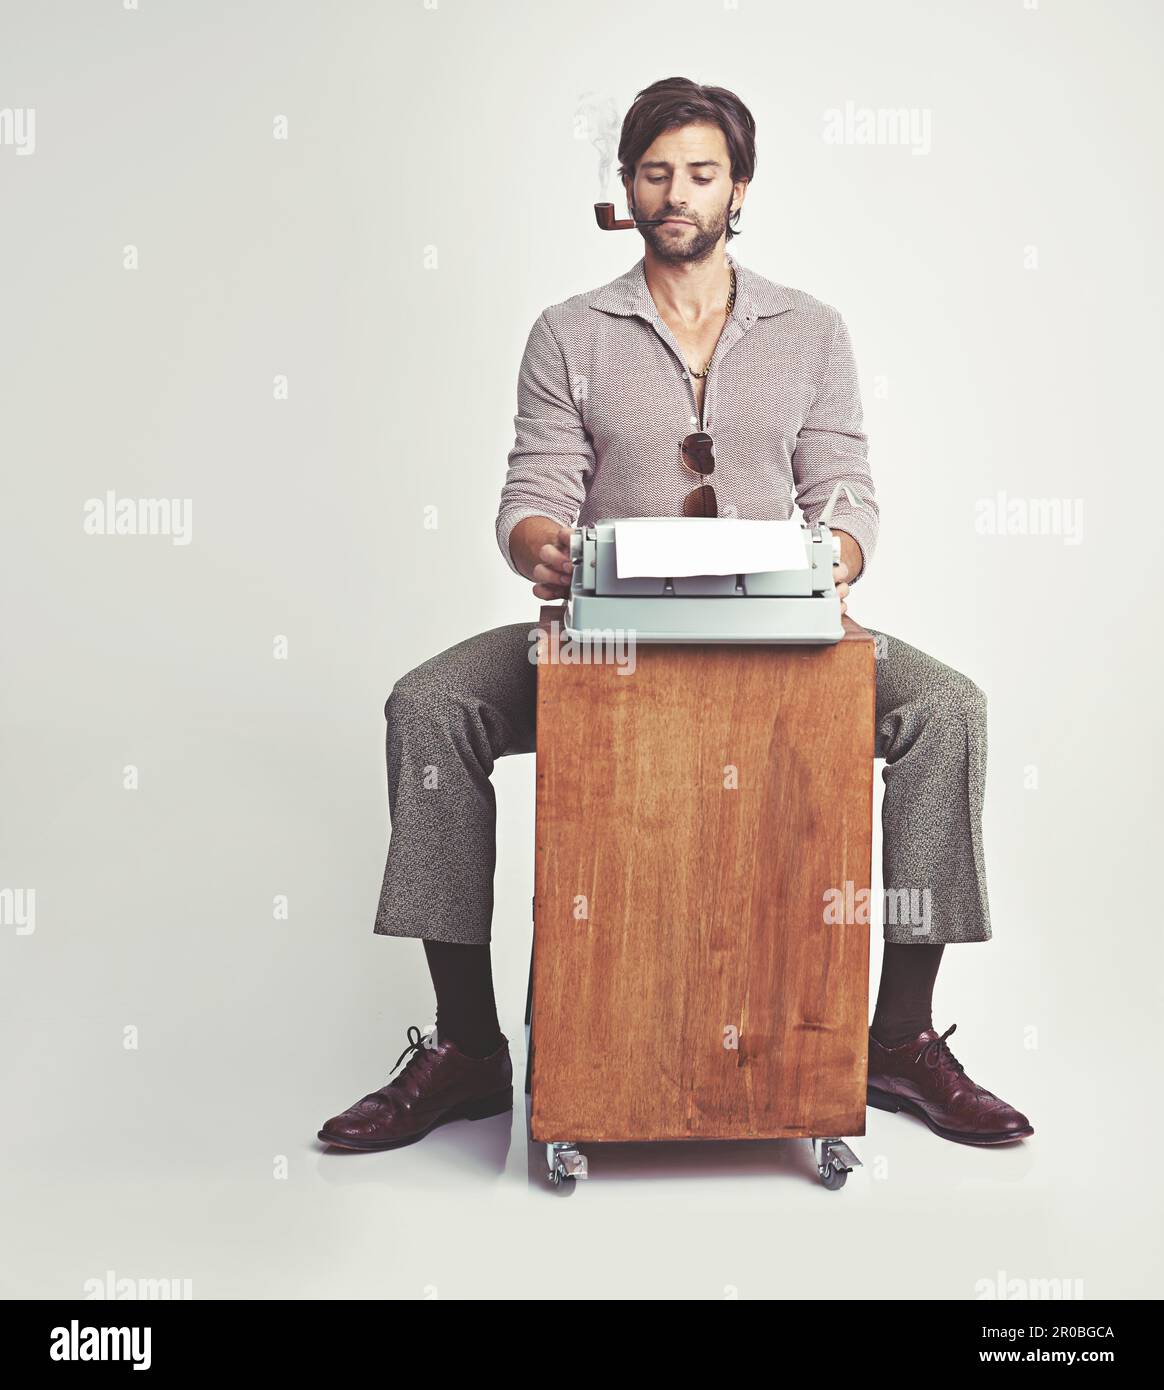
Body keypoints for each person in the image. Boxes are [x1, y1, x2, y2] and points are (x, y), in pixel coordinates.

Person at [318, 77, 1033, 1154]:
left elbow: (848, 484)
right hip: (606, 623)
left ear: (739, 185)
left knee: (950, 710)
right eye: (656, 172)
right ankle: (467, 1044)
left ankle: (900, 1035)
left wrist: (834, 558)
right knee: (429, 704)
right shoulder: (569, 330)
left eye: (701, 172)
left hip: (781, 623)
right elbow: (533, 489)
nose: (677, 192)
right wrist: (538, 545)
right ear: (626, 186)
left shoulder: (813, 330)